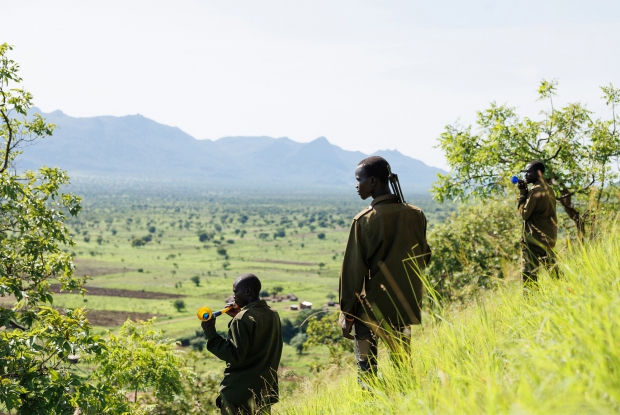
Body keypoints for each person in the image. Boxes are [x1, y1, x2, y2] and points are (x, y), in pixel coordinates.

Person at [339, 156, 431, 378]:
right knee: (403, 366)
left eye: (359, 179)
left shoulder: (364, 221)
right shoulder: (416, 214)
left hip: (370, 309)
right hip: (404, 305)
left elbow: (353, 273)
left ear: (372, 181)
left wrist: (347, 313)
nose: (356, 185)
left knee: (367, 371)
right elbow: (424, 257)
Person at [201, 273, 282, 414]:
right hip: (264, 392)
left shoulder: (242, 319)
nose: (234, 297)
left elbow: (235, 356)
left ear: (248, 291)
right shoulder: (272, 313)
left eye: (235, 292)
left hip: (238, 394)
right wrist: (240, 315)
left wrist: (210, 332)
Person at [517, 160, 558, 284]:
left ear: (538, 173)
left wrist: (522, 193)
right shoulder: (548, 188)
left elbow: (524, 214)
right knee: (554, 273)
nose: (525, 176)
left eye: (528, 172)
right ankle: (567, 293)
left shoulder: (535, 191)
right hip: (547, 238)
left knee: (529, 276)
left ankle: (530, 301)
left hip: (533, 241)